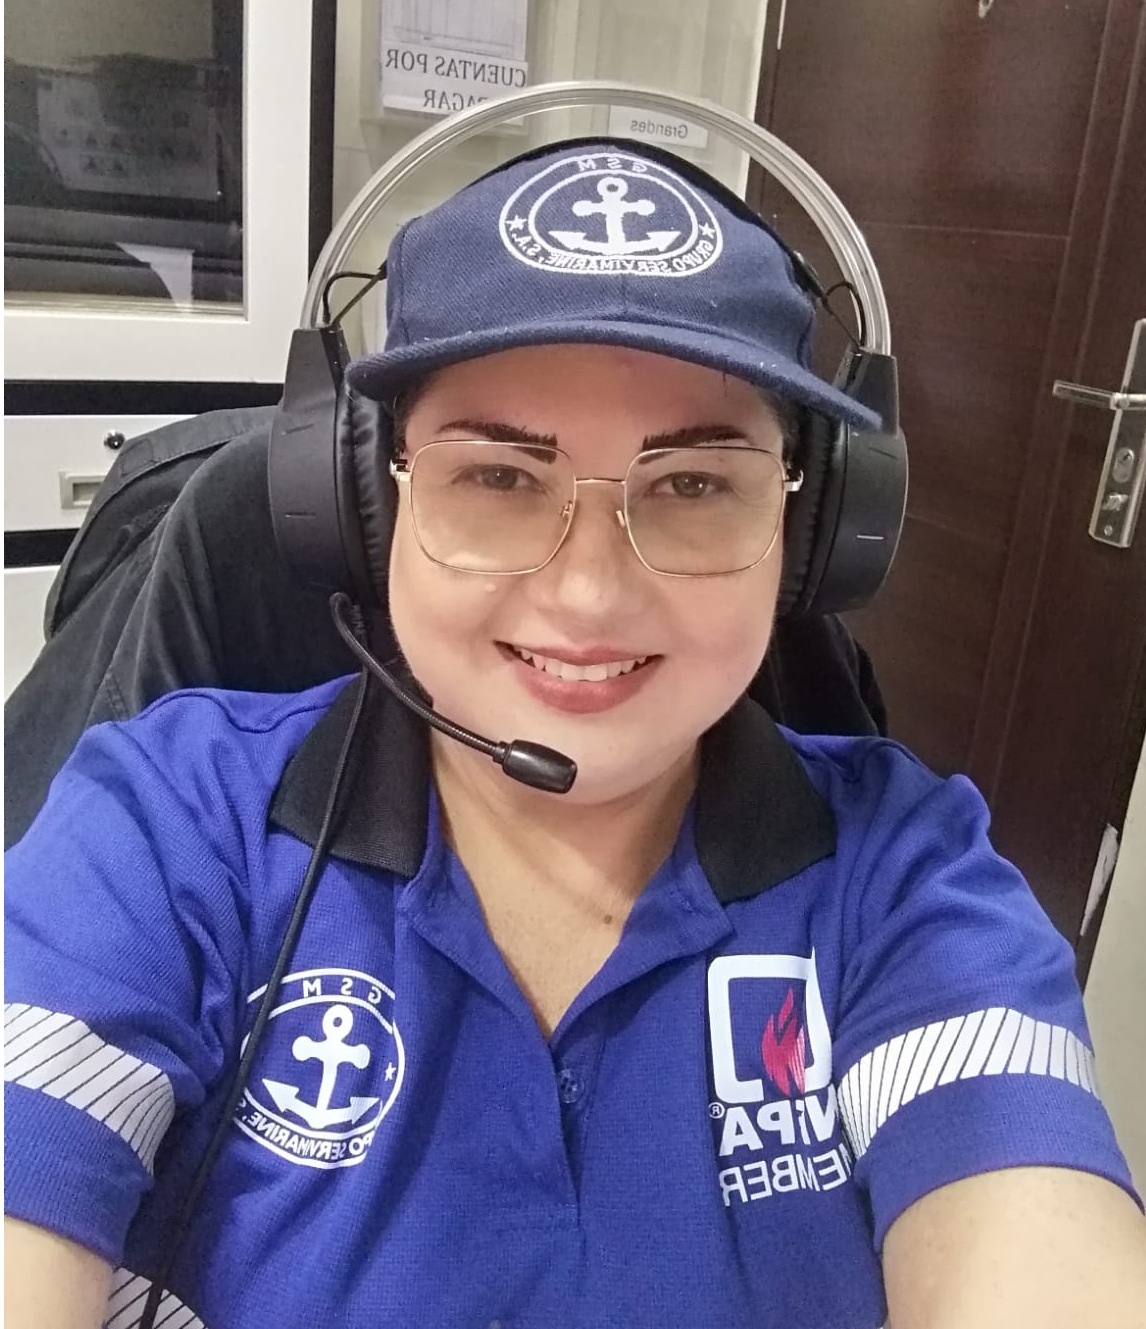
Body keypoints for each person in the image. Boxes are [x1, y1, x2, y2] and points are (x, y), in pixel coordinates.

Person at [5, 137, 1146, 1329]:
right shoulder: (165, 826)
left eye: (692, 484)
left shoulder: (908, 879)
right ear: (365, 505)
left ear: (814, 532)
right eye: (500, 477)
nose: (590, 594)